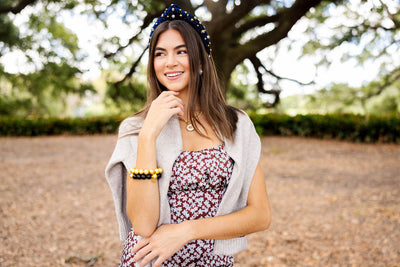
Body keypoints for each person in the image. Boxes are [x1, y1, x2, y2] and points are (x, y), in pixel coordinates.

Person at [105, 4, 271, 267]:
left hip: (213, 262)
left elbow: (260, 215)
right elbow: (144, 225)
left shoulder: (236, 124)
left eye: (181, 51)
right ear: (153, 65)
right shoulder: (135, 128)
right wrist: (148, 134)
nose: (170, 62)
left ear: (202, 61)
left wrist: (186, 231)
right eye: (160, 54)